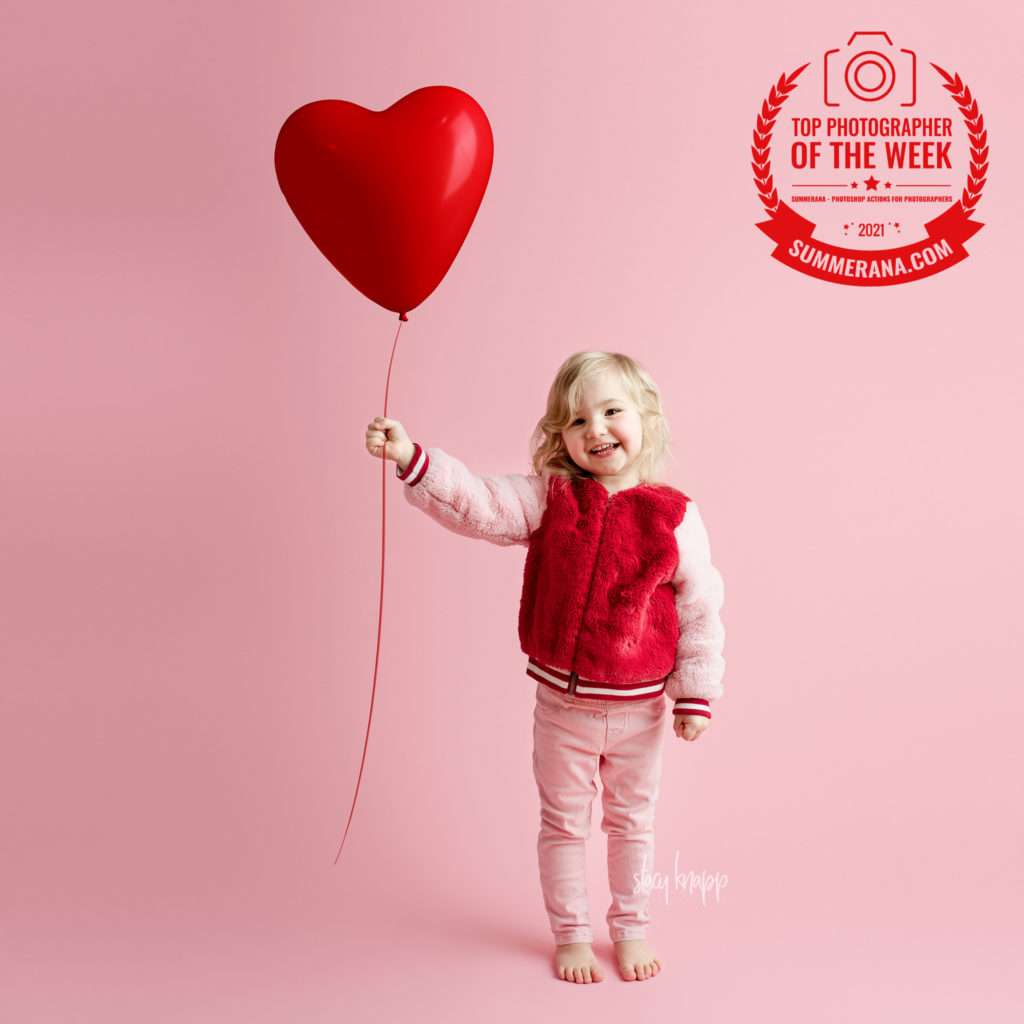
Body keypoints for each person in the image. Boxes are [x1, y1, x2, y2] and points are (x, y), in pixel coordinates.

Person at [364, 351, 726, 984]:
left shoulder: (674, 514)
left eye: (611, 411)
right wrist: (413, 457)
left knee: (632, 824)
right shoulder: (550, 497)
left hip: (640, 710)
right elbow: (480, 503)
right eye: (577, 420)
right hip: (562, 710)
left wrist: (695, 694)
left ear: (646, 416)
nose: (596, 429)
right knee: (562, 825)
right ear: (561, 434)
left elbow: (699, 607)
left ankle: (631, 928)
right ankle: (571, 934)